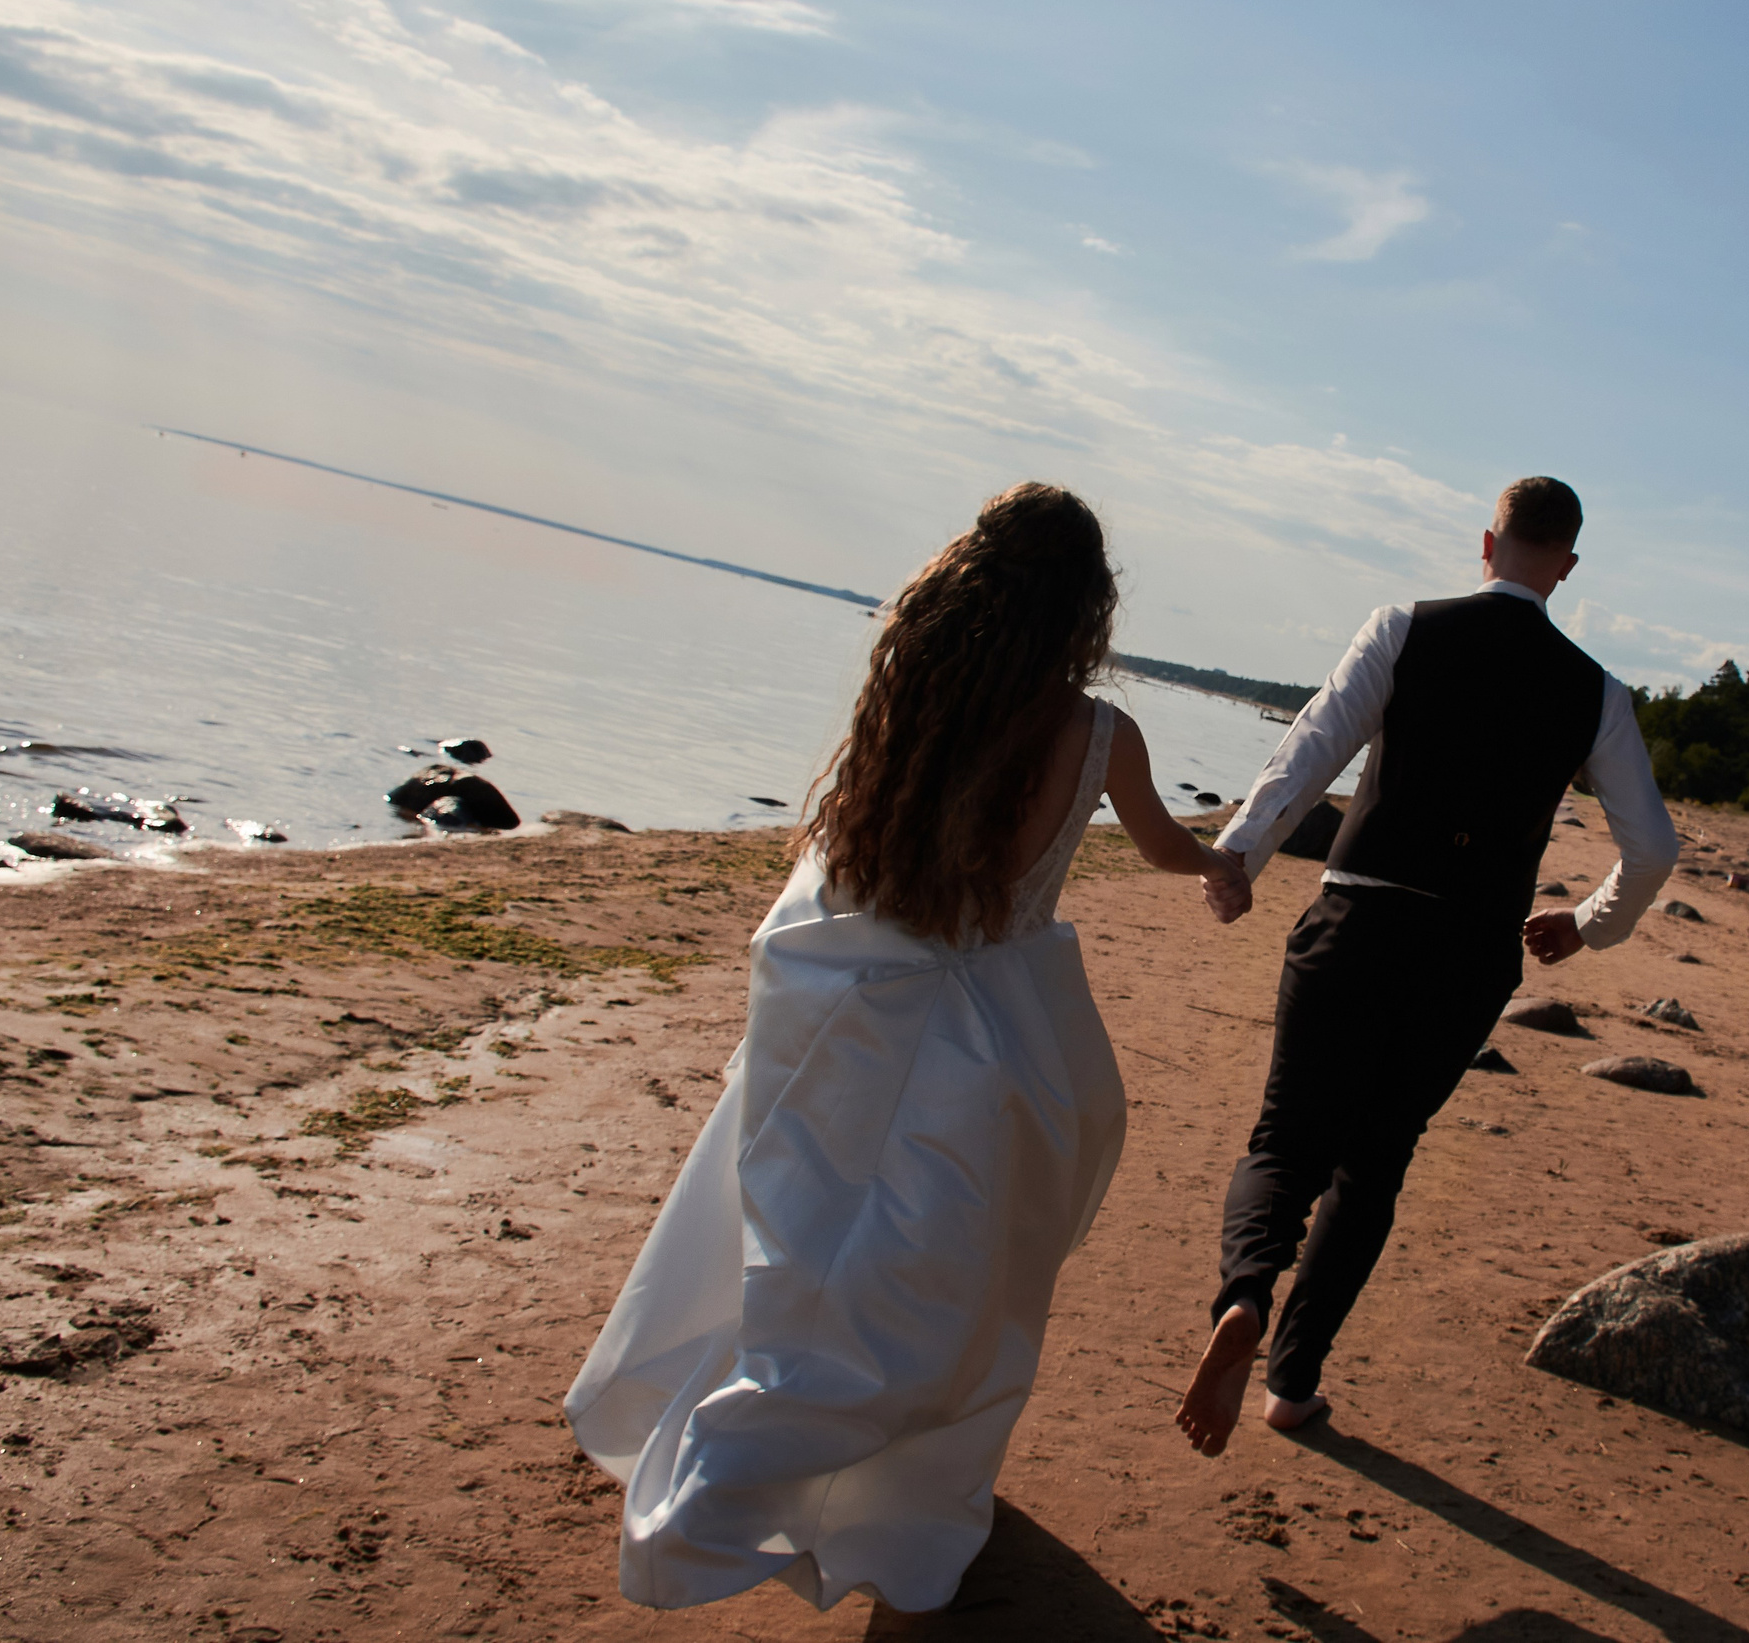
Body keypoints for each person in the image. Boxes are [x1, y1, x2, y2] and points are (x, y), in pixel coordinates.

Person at [566, 483, 1245, 1614]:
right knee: (961, 1292)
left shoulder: (925, 686)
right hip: (1001, 1045)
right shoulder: (1099, 733)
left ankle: (765, 1458)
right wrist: (1224, 862)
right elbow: (1166, 842)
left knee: (807, 1254)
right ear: (1086, 608)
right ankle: (897, 1489)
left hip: (862, 1009)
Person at [1173, 476, 1679, 1456]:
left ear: (1487, 545)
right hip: (1468, 952)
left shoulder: (1404, 626)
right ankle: (1292, 1383)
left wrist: (1240, 857)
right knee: (1374, 1163)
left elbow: (1313, 745)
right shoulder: (1597, 694)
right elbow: (1652, 847)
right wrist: (1587, 923)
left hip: (1356, 919)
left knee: (1285, 1141)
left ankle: (1243, 1295)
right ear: (1565, 567)